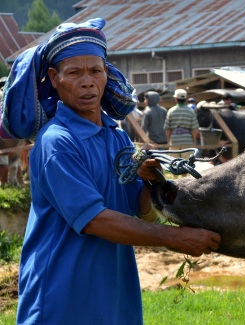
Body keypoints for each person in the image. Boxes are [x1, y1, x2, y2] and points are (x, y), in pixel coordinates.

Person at [5, 18, 220, 325]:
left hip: (113, 292)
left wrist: (149, 183)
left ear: (106, 73)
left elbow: (139, 209)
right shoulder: (56, 142)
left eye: (95, 70)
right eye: (74, 72)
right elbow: (94, 220)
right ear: (54, 78)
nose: (87, 81)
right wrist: (176, 239)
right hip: (61, 296)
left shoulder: (115, 136)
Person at [164, 89, 200, 159]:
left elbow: (168, 129)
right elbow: (194, 129)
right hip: (187, 140)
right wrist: (194, 141)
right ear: (186, 99)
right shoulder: (191, 111)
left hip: (174, 140)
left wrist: (169, 141)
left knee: (174, 163)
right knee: (186, 163)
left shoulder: (171, 111)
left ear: (175, 99)